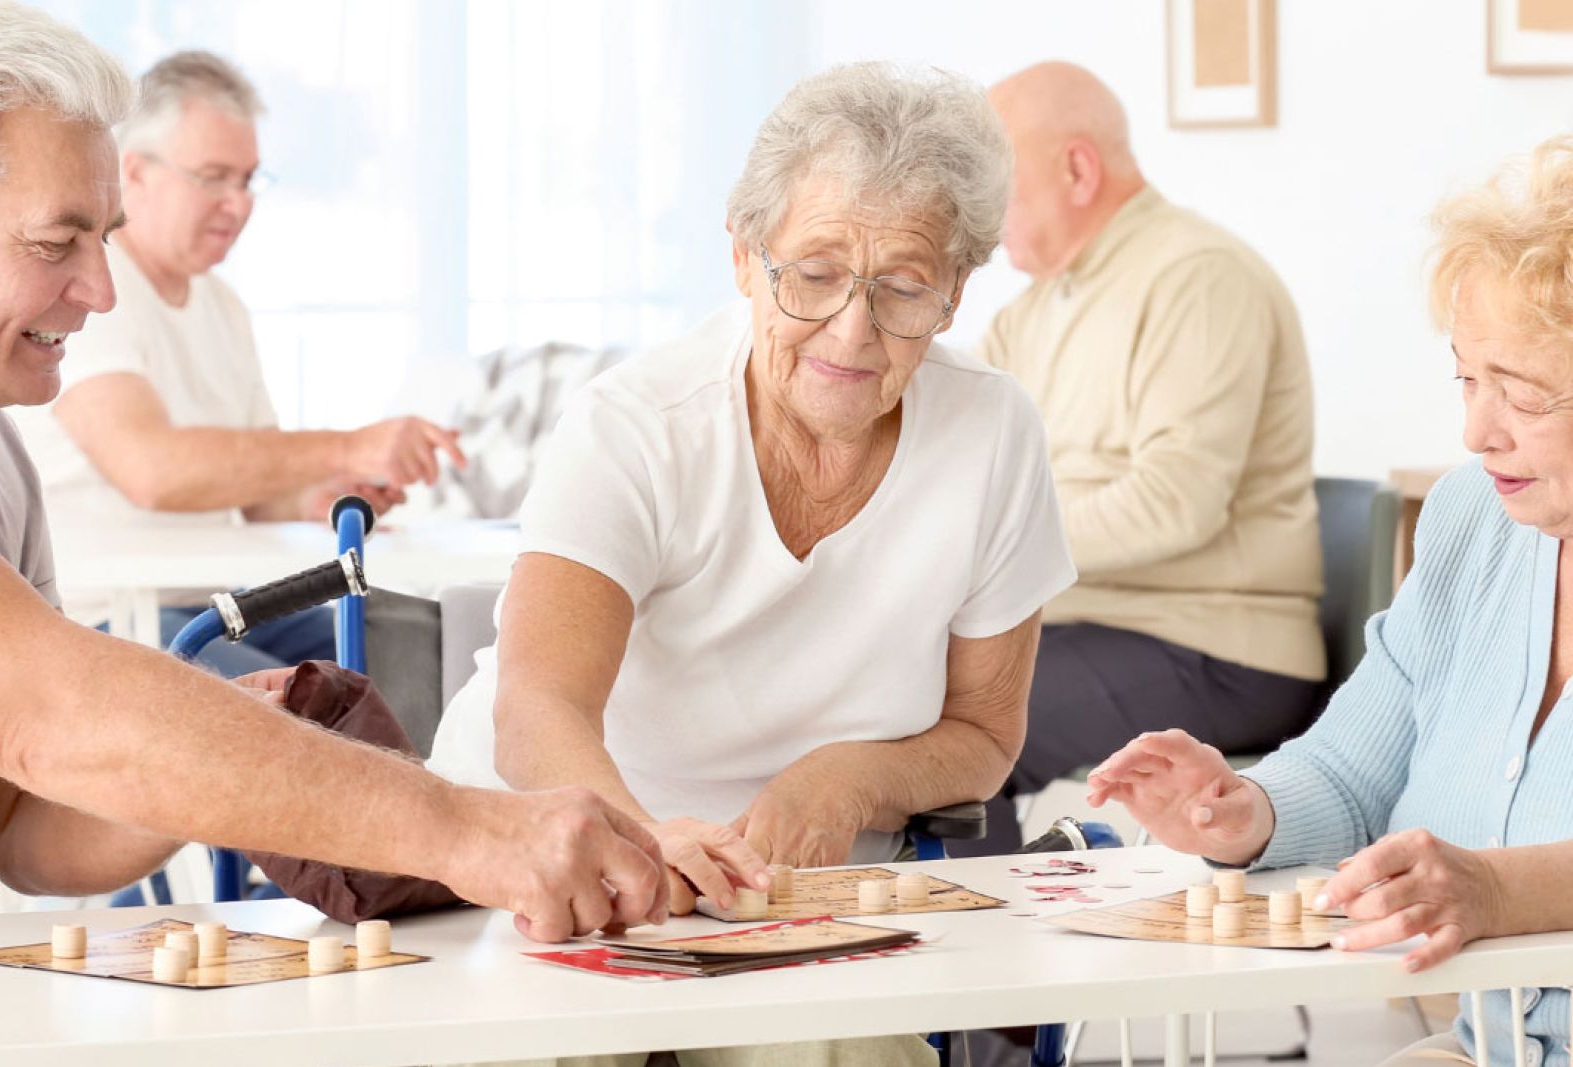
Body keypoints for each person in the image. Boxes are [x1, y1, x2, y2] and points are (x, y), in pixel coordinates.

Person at [0, 0, 664, 944]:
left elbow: (18, 827)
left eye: (104, 237)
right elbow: (48, 714)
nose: (99, 288)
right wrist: (468, 830)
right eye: (57, 243)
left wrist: (222, 747)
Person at [428, 61, 1074, 1067]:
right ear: (744, 257)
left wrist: (847, 781)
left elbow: (986, 730)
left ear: (953, 291)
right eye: (814, 273)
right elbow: (536, 709)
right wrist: (637, 838)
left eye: (902, 285)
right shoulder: (637, 427)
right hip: (553, 844)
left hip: (792, 896)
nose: (852, 330)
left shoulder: (991, 434)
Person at [1088, 135, 1573, 1067]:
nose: (1476, 430)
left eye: (1518, 393)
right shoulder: (1473, 520)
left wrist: (1502, 890)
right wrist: (1242, 809)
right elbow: (1355, 767)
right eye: (1468, 378)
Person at [9, 50, 466, 677]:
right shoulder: (89, 291)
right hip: (116, 616)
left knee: (416, 657)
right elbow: (153, 469)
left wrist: (325, 495)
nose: (239, 203)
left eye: (248, 179)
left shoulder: (222, 307)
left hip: (213, 603)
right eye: (214, 176)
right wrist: (349, 446)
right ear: (134, 173)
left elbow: (261, 495)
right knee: (325, 712)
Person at [966, 61, 1324, 855]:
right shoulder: (1033, 311)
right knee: (888, 692)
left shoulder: (1197, 277)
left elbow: (1175, 503)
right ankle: (987, 928)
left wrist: (983, 554)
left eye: (994, 183)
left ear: (1078, 169)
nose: (979, 214)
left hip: (1217, 648)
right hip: (1095, 627)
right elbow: (952, 460)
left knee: (955, 727)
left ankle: (982, 954)